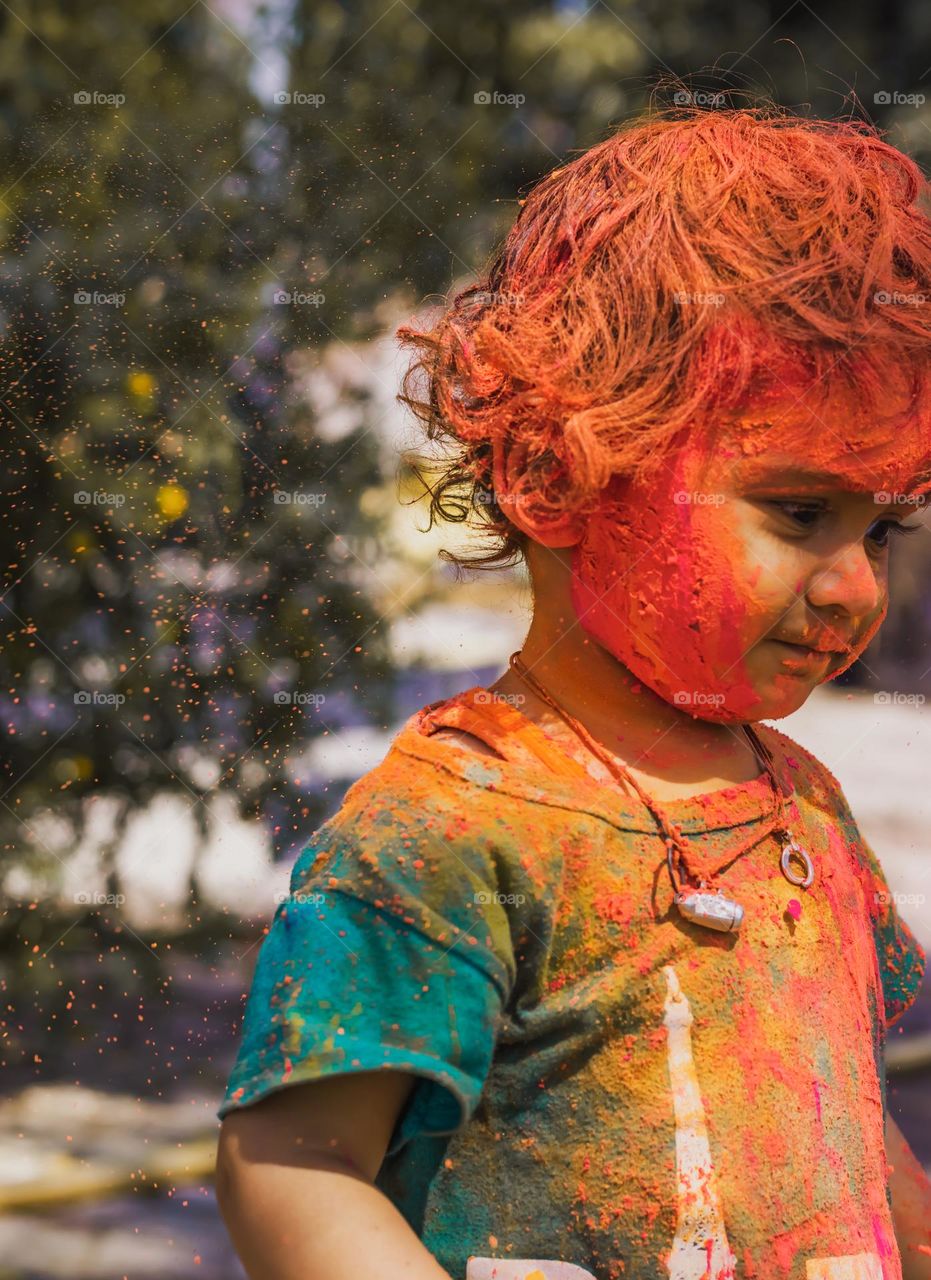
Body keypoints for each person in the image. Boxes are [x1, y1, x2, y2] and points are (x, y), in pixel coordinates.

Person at [214, 95, 931, 1280]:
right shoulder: (454, 826)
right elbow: (293, 1161)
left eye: (883, 532)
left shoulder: (801, 806)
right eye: (800, 513)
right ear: (559, 475)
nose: (854, 584)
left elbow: (853, 1142)